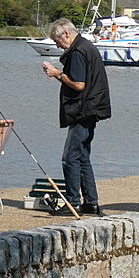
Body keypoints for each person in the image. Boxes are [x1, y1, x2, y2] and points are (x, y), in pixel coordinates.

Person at [41, 18, 111, 216]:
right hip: (92, 108)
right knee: (82, 157)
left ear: (66, 34)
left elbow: (79, 85)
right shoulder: (85, 46)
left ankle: (73, 202)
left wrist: (56, 73)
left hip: (84, 110)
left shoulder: (79, 51)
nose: (57, 45)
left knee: (70, 157)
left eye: (57, 40)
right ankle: (91, 203)